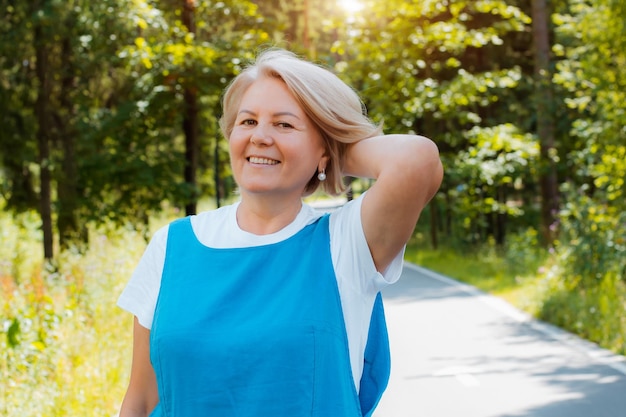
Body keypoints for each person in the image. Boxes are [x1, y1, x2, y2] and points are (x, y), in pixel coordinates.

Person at [117, 48, 443, 417]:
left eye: (284, 124)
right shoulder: (171, 245)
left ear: (324, 152)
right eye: (248, 122)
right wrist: (300, 146)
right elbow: (141, 400)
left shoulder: (344, 244)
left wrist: (329, 150)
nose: (260, 137)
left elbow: (416, 160)